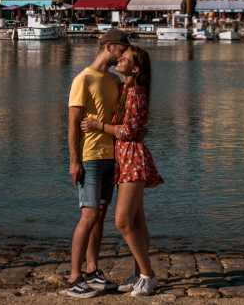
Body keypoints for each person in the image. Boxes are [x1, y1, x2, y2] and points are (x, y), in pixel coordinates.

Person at [81, 45, 163, 297]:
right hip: (124, 159)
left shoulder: (135, 92)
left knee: (122, 222)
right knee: (138, 221)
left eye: (126, 58)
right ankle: (140, 274)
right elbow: (135, 127)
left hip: (132, 160)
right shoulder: (125, 88)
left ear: (135, 69)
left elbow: (128, 131)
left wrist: (97, 125)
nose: (120, 57)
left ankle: (148, 276)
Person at [67, 29, 131, 298]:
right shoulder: (83, 79)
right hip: (90, 156)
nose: (125, 54)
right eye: (122, 50)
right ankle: (74, 278)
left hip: (111, 156)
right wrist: (73, 160)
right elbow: (72, 124)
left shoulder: (114, 80)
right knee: (89, 215)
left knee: (101, 215)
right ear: (109, 47)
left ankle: (92, 271)